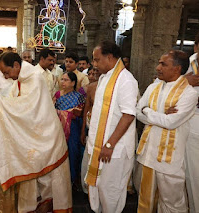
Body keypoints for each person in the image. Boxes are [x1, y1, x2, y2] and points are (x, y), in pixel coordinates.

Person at [0, 52, 72, 212]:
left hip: (47, 138)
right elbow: (14, 103)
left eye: (6, 72)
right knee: (31, 174)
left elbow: (25, 109)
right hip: (32, 138)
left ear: (16, 66)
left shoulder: (34, 78)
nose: (6, 77)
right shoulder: (20, 80)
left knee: (49, 181)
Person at [136, 50, 198, 213]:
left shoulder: (189, 94)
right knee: (144, 198)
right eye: (159, 62)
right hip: (148, 153)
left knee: (172, 203)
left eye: (163, 64)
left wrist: (147, 110)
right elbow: (137, 112)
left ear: (177, 69)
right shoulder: (153, 87)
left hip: (169, 158)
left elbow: (170, 123)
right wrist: (159, 115)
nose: (158, 67)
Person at [85, 41, 138, 212]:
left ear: (109, 57)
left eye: (96, 60)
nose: (94, 64)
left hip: (114, 148)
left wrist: (109, 144)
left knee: (110, 190)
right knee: (98, 186)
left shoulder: (126, 80)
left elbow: (128, 115)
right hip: (99, 144)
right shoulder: (104, 78)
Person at [53, 72, 85, 185]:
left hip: (73, 128)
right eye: (62, 79)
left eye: (66, 80)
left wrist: (63, 113)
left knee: (73, 152)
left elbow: (79, 113)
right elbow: (51, 110)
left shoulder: (79, 97)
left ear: (73, 82)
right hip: (58, 129)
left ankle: (72, 179)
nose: (63, 82)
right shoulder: (57, 95)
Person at [184, 29, 199, 213]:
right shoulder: (188, 64)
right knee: (190, 175)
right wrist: (185, 81)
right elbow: (166, 84)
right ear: (196, 46)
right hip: (188, 125)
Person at [80, 67, 100, 194]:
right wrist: (83, 130)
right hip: (91, 129)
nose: (95, 75)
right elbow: (86, 109)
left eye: (96, 73)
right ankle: (87, 189)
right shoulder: (91, 87)